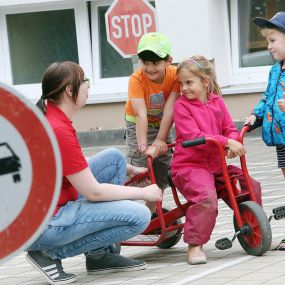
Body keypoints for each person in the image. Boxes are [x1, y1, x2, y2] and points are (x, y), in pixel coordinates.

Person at [25, 61, 163, 285]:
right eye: (85, 83)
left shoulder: (50, 116)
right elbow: (94, 193)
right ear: (70, 90)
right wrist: (144, 193)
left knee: (114, 160)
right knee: (139, 216)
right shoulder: (58, 129)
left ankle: (99, 256)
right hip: (47, 224)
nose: (88, 88)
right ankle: (49, 254)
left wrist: (128, 170)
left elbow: (70, 163)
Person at [171, 56, 262, 265]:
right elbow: (194, 136)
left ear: (205, 81)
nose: (183, 88)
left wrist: (231, 141)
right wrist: (226, 142)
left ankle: (253, 225)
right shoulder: (182, 107)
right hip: (189, 166)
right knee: (206, 198)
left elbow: (229, 128)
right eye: (181, 83)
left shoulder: (217, 102)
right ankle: (194, 246)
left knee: (251, 185)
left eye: (189, 82)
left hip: (215, 165)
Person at [125, 32, 180, 213]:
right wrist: (143, 146)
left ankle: (153, 212)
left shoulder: (174, 76)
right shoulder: (136, 79)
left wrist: (160, 140)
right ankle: (126, 207)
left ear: (168, 60)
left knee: (162, 166)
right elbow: (141, 115)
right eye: (145, 62)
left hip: (161, 122)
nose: (149, 68)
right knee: (141, 167)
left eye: (155, 63)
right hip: (138, 124)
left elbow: (170, 109)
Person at [245, 11, 285, 250]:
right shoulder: (275, 70)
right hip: (281, 139)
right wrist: (256, 116)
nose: (269, 47)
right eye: (267, 41)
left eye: (273, 40)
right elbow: (267, 98)